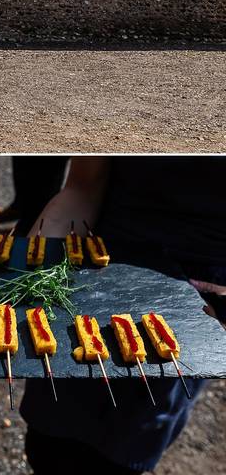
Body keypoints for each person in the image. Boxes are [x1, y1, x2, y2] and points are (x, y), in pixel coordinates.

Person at [20, 156, 226, 474]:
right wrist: (29, 265)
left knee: (118, 456)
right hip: (95, 275)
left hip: (197, 306)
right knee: (48, 444)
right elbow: (82, 187)